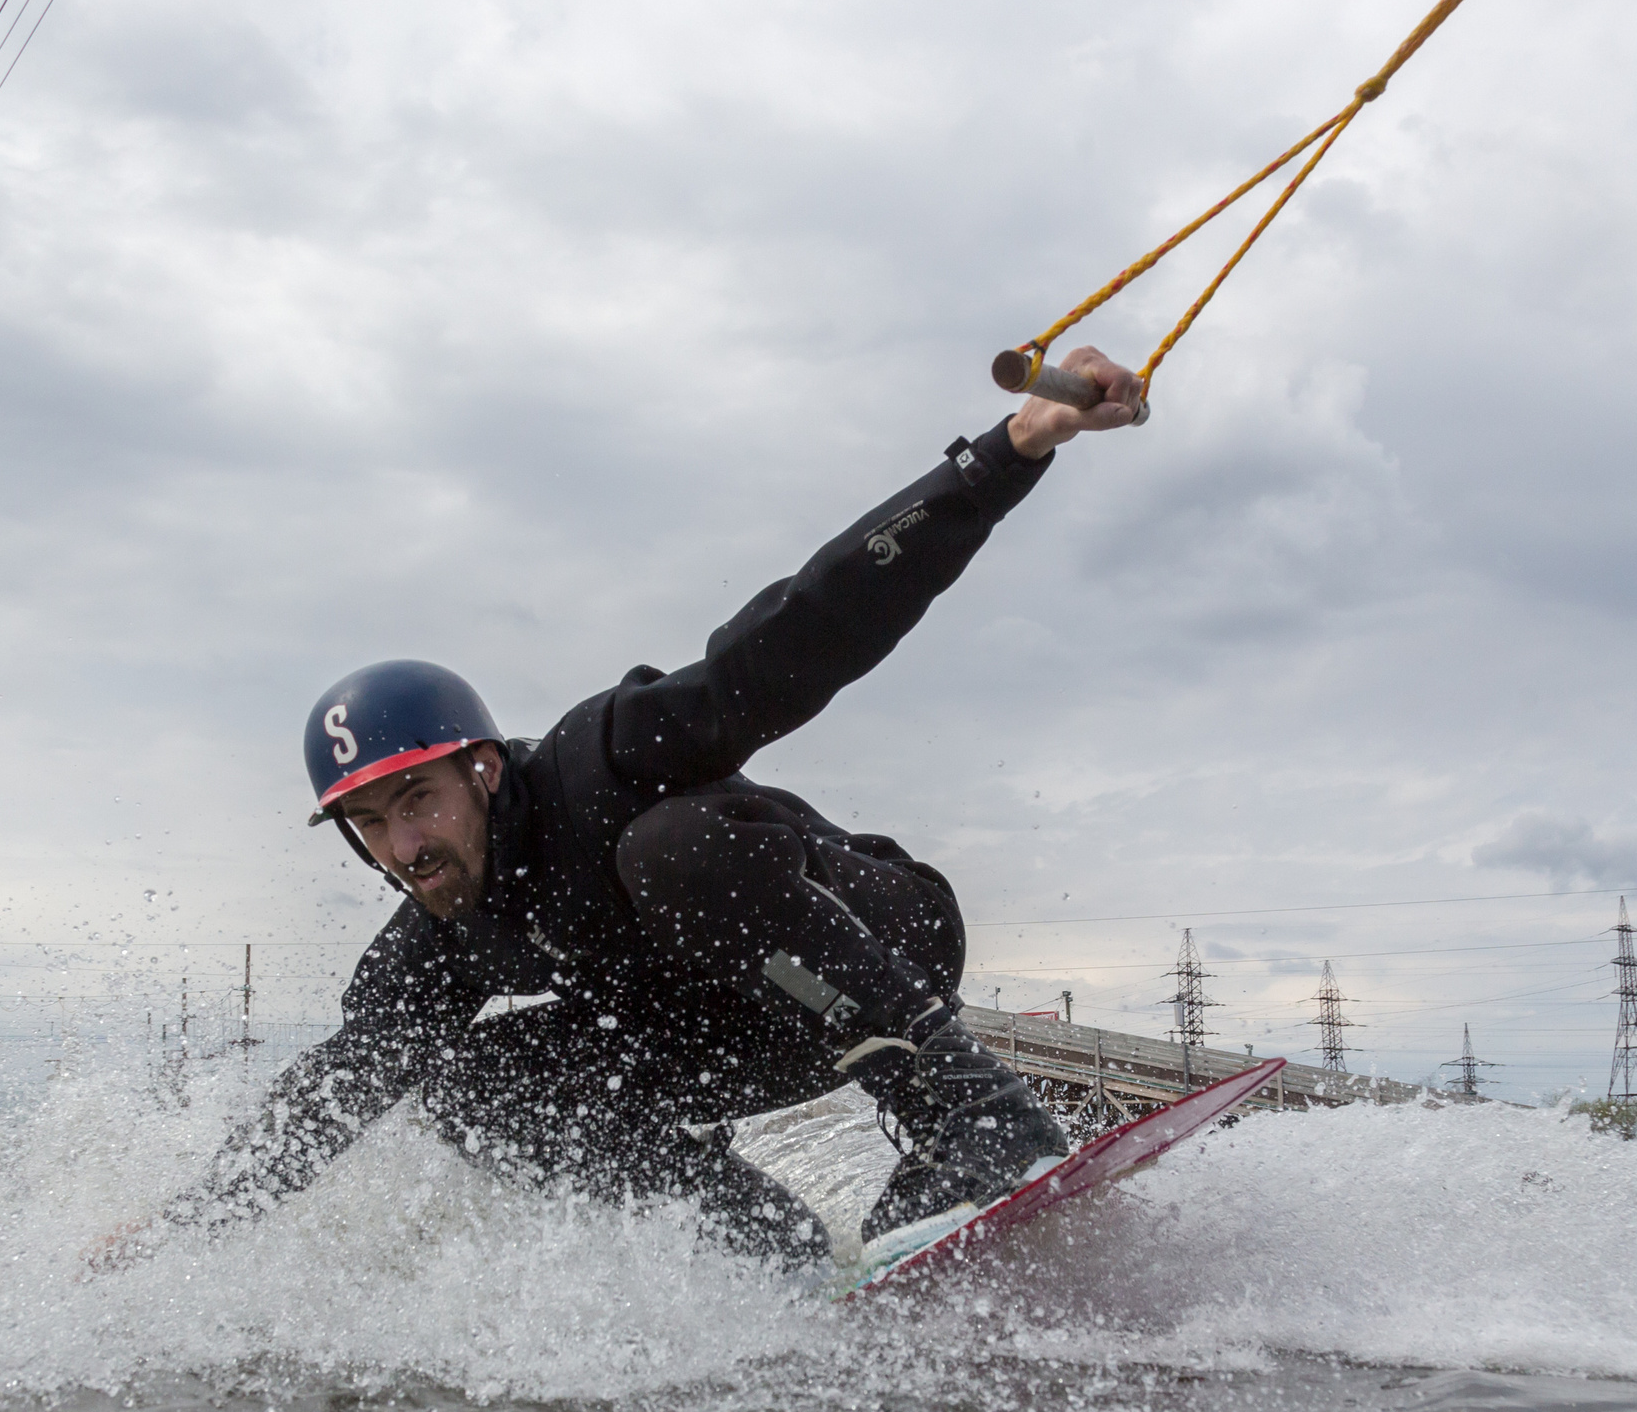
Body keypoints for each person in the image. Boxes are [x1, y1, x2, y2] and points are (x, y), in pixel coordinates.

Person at [111, 348, 1144, 1272]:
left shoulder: (604, 757)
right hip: (745, 1032)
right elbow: (338, 1090)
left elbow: (804, 630)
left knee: (671, 848)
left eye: (417, 800)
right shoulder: (440, 933)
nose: (405, 846)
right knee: (467, 1085)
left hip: (882, 938)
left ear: (482, 770)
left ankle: (977, 1119)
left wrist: (1006, 453)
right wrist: (175, 1231)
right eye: (372, 824)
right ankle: (766, 1253)